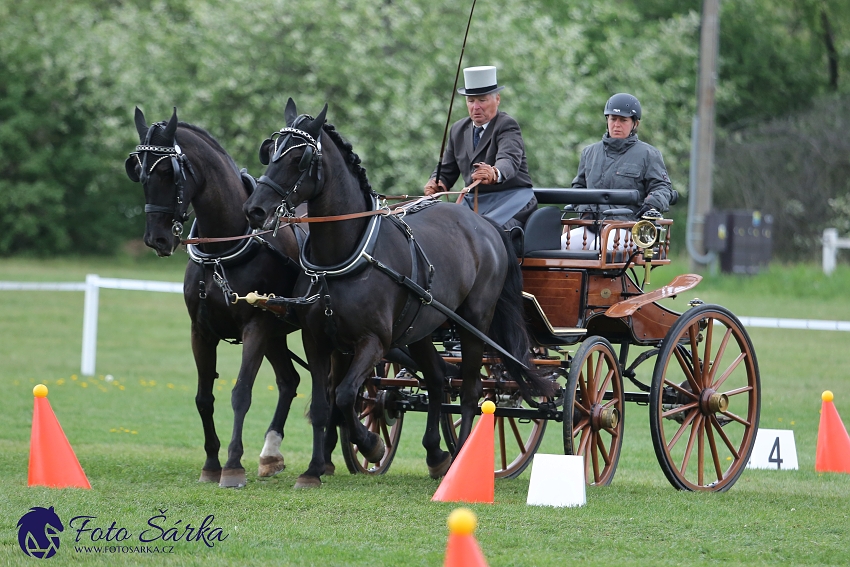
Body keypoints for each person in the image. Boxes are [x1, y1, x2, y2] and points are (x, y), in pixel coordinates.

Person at [424, 65, 537, 230]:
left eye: (482, 100)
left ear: (497, 99)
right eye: (471, 101)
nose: (475, 107)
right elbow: (447, 170)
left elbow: (509, 159)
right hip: (473, 203)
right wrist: (437, 181)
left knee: (489, 234)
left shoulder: (506, 125)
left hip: (510, 201)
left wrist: (494, 173)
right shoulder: (458, 129)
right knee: (442, 231)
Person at [562, 93, 676, 250]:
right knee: (561, 246)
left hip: (629, 229)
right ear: (607, 120)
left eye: (623, 120)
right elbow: (578, 188)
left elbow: (662, 189)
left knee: (598, 247)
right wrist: (586, 212)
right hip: (592, 226)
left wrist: (650, 206)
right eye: (612, 119)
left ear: (635, 124)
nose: (616, 124)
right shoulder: (589, 153)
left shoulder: (649, 154)